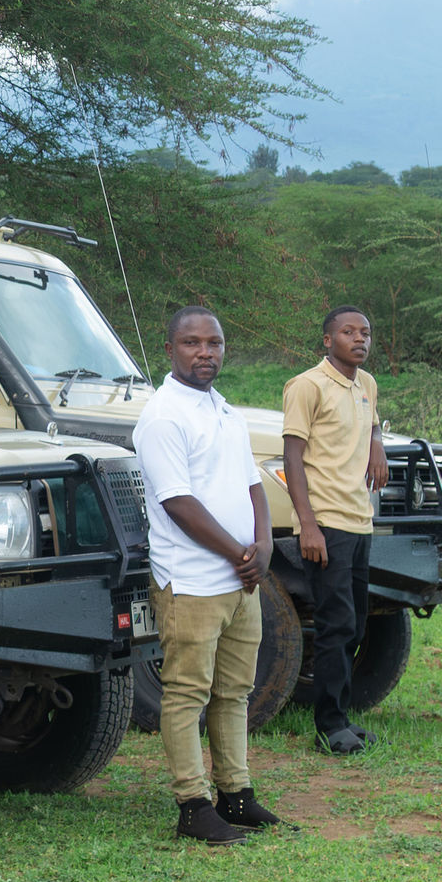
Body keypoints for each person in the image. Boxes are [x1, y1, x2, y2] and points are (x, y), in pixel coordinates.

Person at [131, 306, 281, 845]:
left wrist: (264, 544)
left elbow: (253, 485)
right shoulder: (163, 417)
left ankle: (235, 794)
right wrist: (240, 553)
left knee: (234, 691)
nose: (205, 352)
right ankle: (192, 805)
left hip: (240, 580)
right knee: (187, 693)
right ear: (170, 349)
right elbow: (178, 503)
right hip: (192, 581)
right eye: (192, 343)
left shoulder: (225, 411)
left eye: (213, 343)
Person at [281, 306, 391, 755]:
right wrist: (307, 525)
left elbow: (371, 423)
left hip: (359, 521)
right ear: (328, 340)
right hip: (325, 523)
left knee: (355, 625)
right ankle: (328, 726)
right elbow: (292, 457)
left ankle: (342, 718)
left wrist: (377, 443)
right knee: (335, 625)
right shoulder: (306, 386)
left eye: (365, 332)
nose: (359, 339)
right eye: (348, 332)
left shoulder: (367, 384)